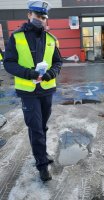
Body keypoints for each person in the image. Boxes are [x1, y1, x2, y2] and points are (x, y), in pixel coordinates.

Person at [4, 0, 62, 182]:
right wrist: (29, 73)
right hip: (28, 92)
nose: (41, 19)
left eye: (44, 17)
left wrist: (50, 74)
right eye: (38, 16)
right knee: (35, 128)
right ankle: (42, 166)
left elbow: (58, 62)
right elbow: (9, 63)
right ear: (29, 15)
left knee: (42, 127)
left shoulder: (51, 40)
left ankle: (41, 155)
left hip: (46, 90)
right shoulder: (17, 37)